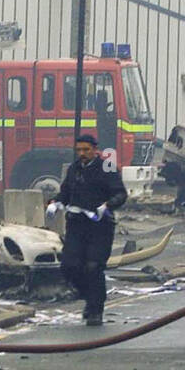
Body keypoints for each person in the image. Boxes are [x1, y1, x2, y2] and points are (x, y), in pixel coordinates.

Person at [47, 134, 128, 326]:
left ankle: (95, 309)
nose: (82, 154)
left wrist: (108, 205)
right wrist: (55, 202)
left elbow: (121, 193)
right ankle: (86, 294)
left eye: (86, 150)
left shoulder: (106, 169)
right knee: (69, 266)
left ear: (95, 150)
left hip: (100, 227)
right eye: (79, 150)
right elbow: (65, 193)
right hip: (76, 225)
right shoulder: (74, 169)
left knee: (93, 267)